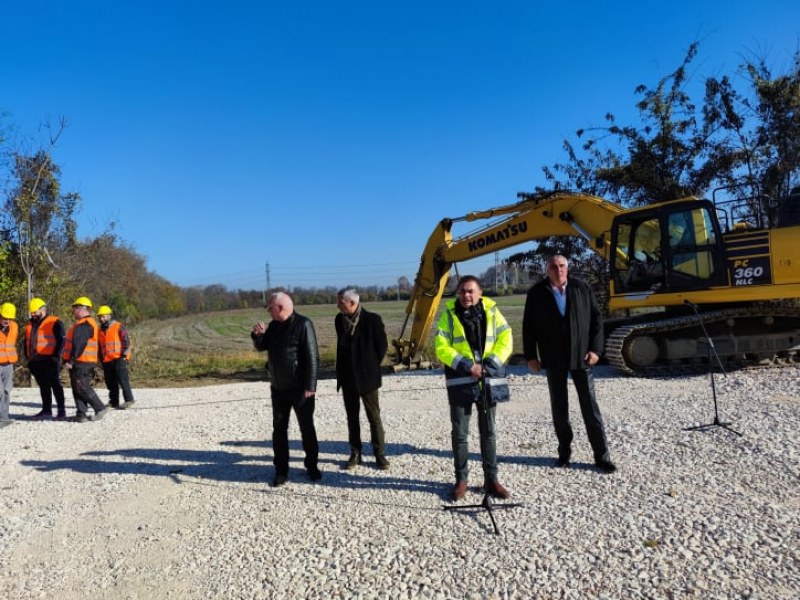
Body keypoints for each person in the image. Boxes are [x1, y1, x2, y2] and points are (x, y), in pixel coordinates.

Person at [522, 254, 616, 473]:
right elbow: (529, 326)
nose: (558, 270)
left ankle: (602, 456)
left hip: (581, 356)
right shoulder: (537, 293)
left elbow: (596, 321)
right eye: (554, 267)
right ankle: (564, 452)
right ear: (547, 270)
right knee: (559, 408)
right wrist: (531, 356)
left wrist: (596, 350)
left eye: (562, 265)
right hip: (553, 357)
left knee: (590, 407)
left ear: (568, 268)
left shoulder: (581, 288)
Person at [434, 275, 513, 501]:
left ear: (480, 293)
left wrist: (490, 364)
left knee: (488, 432)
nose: (466, 295)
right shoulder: (448, 316)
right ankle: (461, 480)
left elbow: (506, 338)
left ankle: (492, 480)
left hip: (488, 379)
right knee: (460, 433)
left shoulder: (493, 311)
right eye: (462, 291)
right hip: (461, 380)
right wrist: (468, 366)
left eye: (471, 291)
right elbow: (441, 347)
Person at [251, 291, 321, 487]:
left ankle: (312, 467)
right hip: (278, 388)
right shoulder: (273, 326)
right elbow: (262, 346)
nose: (268, 311)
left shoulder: (303, 324)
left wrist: (310, 385)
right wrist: (257, 336)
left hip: (300, 389)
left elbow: (312, 357)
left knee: (306, 428)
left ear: (279, 308)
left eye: (270, 308)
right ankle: (281, 470)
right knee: (279, 430)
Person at [335, 288, 390, 470]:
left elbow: (381, 347)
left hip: (368, 379)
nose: (337, 305)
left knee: (374, 417)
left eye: (340, 302)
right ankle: (355, 452)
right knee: (352, 418)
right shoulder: (339, 320)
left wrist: (369, 366)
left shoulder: (372, 320)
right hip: (348, 379)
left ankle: (379, 454)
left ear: (352, 302)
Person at [62, 296, 107, 423]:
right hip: (82, 361)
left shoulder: (85, 324)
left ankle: (100, 408)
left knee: (82, 386)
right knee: (77, 387)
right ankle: (81, 414)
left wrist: (71, 360)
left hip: (82, 361)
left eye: (75, 308)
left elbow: (79, 344)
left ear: (82, 308)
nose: (73, 311)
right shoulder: (83, 324)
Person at [24, 297, 68, 420]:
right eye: (31, 312)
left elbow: (62, 340)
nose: (32, 314)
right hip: (35, 361)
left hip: (50, 360)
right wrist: (28, 358)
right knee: (43, 386)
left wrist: (56, 356)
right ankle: (46, 410)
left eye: (34, 312)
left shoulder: (55, 321)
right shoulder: (29, 324)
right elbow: (26, 342)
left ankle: (61, 410)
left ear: (42, 309)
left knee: (55, 385)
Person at [97, 305, 135, 410]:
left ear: (109, 316)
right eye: (100, 317)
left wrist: (124, 356)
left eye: (103, 316)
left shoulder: (118, 326)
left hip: (119, 358)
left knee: (123, 380)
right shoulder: (99, 330)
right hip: (107, 360)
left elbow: (126, 342)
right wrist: (100, 359)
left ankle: (129, 400)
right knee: (110, 382)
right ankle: (113, 402)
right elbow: (100, 347)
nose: (101, 319)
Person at [0, 302, 19, 426]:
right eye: (4, 317)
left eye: (9, 318)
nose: (7, 320)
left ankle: (4, 417)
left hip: (8, 364)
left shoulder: (15, 326)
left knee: (6, 391)